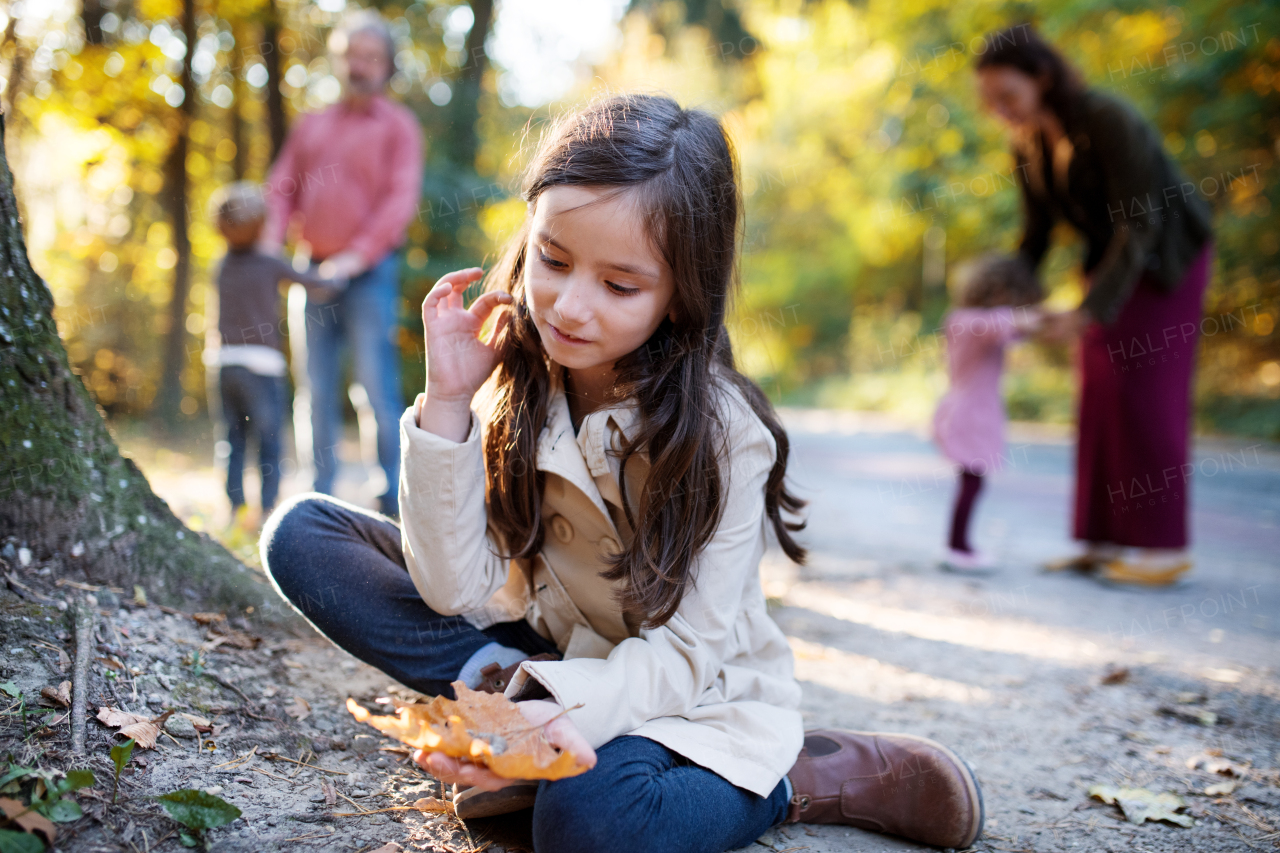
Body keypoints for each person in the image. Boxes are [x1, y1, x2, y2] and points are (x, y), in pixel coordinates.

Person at [260, 95, 985, 853]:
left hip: (685, 693)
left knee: (589, 825)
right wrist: (447, 400)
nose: (569, 307)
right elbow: (454, 588)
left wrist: (558, 713)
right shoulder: (518, 377)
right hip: (550, 649)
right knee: (304, 536)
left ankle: (789, 780)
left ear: (682, 294)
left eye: (620, 285)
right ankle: (519, 702)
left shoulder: (721, 435)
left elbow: (684, 656)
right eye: (554, 259)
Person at [975, 24, 1213, 586]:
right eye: (989, 102)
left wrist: (1086, 311)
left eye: (1007, 96)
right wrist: (998, 305)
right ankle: (1101, 540)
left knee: (1147, 395)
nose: (999, 110)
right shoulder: (1027, 142)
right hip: (1107, 266)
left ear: (1043, 78)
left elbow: (1142, 222)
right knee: (1100, 395)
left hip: (1164, 262)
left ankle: (1160, 550)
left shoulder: (1107, 118)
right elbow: (1035, 237)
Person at [261, 9, 423, 517]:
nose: (360, 65)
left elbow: (399, 202)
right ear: (338, 60)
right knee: (314, 389)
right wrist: (270, 245)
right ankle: (319, 498)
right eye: (352, 55)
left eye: (371, 57)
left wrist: (355, 258)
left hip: (370, 275)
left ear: (386, 66)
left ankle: (392, 500)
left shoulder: (399, 127)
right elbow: (281, 189)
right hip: (310, 270)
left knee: (376, 387)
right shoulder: (312, 125)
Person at [208, 182, 344, 525]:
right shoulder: (269, 262)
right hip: (262, 366)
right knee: (268, 443)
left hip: (223, 363)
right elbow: (316, 284)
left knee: (232, 439)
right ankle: (268, 509)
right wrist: (339, 272)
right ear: (261, 225)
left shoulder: (221, 265)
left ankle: (235, 509)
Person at [933, 255, 1043, 572]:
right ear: (1000, 294)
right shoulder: (971, 322)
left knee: (971, 481)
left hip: (969, 408)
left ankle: (959, 544)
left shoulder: (964, 320)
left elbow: (1017, 330)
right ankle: (958, 546)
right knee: (971, 482)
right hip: (972, 413)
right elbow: (1014, 323)